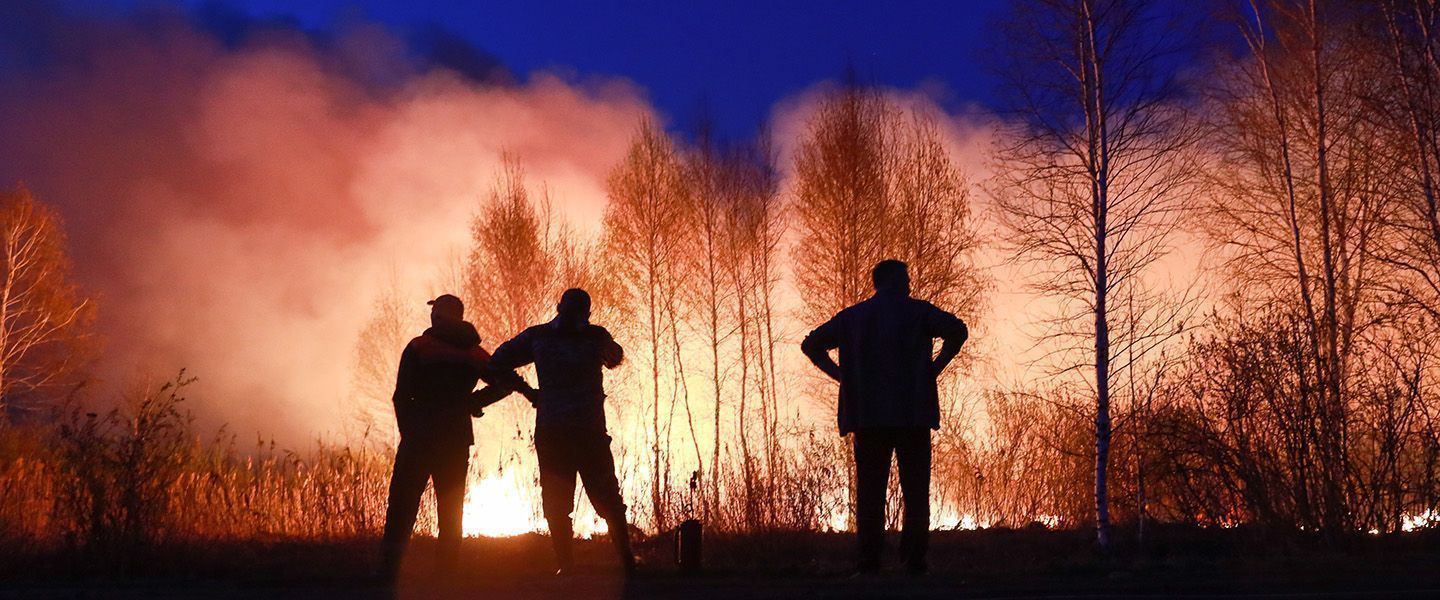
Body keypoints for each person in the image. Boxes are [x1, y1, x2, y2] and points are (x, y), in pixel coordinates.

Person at [801, 260, 968, 576]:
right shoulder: (919, 312)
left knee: (870, 493)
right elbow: (957, 331)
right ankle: (914, 561)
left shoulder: (852, 318)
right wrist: (935, 367)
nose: (909, 284)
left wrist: (842, 376)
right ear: (895, 281)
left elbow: (811, 345)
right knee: (916, 491)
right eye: (906, 278)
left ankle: (868, 563)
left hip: (869, 417)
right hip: (912, 415)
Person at [380, 293, 531, 580]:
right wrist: (475, 402)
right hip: (456, 439)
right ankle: (447, 572)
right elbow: (505, 382)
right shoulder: (473, 352)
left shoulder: (420, 347)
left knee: (402, 505)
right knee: (451, 509)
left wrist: (408, 432)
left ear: (437, 315)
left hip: (420, 438)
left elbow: (401, 395)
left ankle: (390, 570)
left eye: (434, 310)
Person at [489, 288, 636, 575]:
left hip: (555, 431)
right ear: (587, 312)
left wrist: (529, 392)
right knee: (606, 498)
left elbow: (498, 362)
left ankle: (567, 567)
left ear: (559, 307)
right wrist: (529, 391)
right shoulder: (592, 336)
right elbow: (615, 358)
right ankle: (626, 563)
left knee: (559, 502)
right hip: (587, 431)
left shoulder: (539, 336)